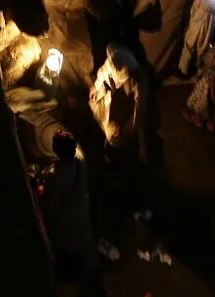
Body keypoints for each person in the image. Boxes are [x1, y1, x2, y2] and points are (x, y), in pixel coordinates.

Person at [39, 131, 97, 281]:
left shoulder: (54, 176)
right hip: (83, 223)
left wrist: (41, 191)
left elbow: (50, 207)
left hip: (66, 231)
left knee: (69, 269)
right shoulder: (81, 163)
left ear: (55, 149)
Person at [143, 0, 194, 76]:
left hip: (152, 27)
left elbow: (142, 4)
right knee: (160, 55)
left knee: (145, 52)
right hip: (170, 29)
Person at [89, 43, 144, 152]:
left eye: (114, 133)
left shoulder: (137, 87)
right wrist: (96, 86)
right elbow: (104, 70)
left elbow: (138, 110)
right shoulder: (113, 61)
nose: (116, 130)